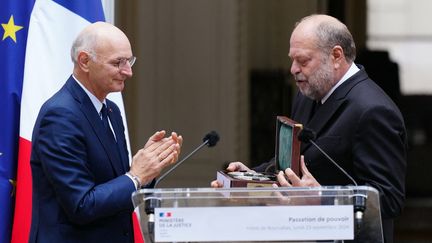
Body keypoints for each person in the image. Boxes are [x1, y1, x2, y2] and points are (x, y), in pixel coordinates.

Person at [212, 14, 407, 243]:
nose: (293, 69)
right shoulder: (308, 95)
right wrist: (250, 179)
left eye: (303, 61)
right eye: (292, 59)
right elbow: (297, 162)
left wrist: (321, 198)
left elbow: (388, 199)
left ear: (336, 56)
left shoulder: (373, 110)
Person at [29, 22, 182, 243]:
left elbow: (117, 187)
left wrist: (148, 168)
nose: (128, 72)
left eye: (129, 61)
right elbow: (81, 205)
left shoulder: (111, 111)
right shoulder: (60, 115)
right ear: (85, 61)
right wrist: (136, 176)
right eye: (118, 62)